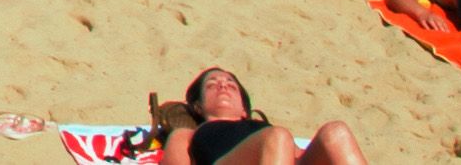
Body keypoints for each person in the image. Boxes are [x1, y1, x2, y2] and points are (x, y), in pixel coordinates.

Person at [147, 67, 371, 165]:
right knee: (277, 137)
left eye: (230, 85)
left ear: (244, 109)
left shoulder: (261, 128)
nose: (223, 87)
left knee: (336, 132)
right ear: (198, 107)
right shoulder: (189, 134)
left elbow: (298, 155)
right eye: (212, 86)